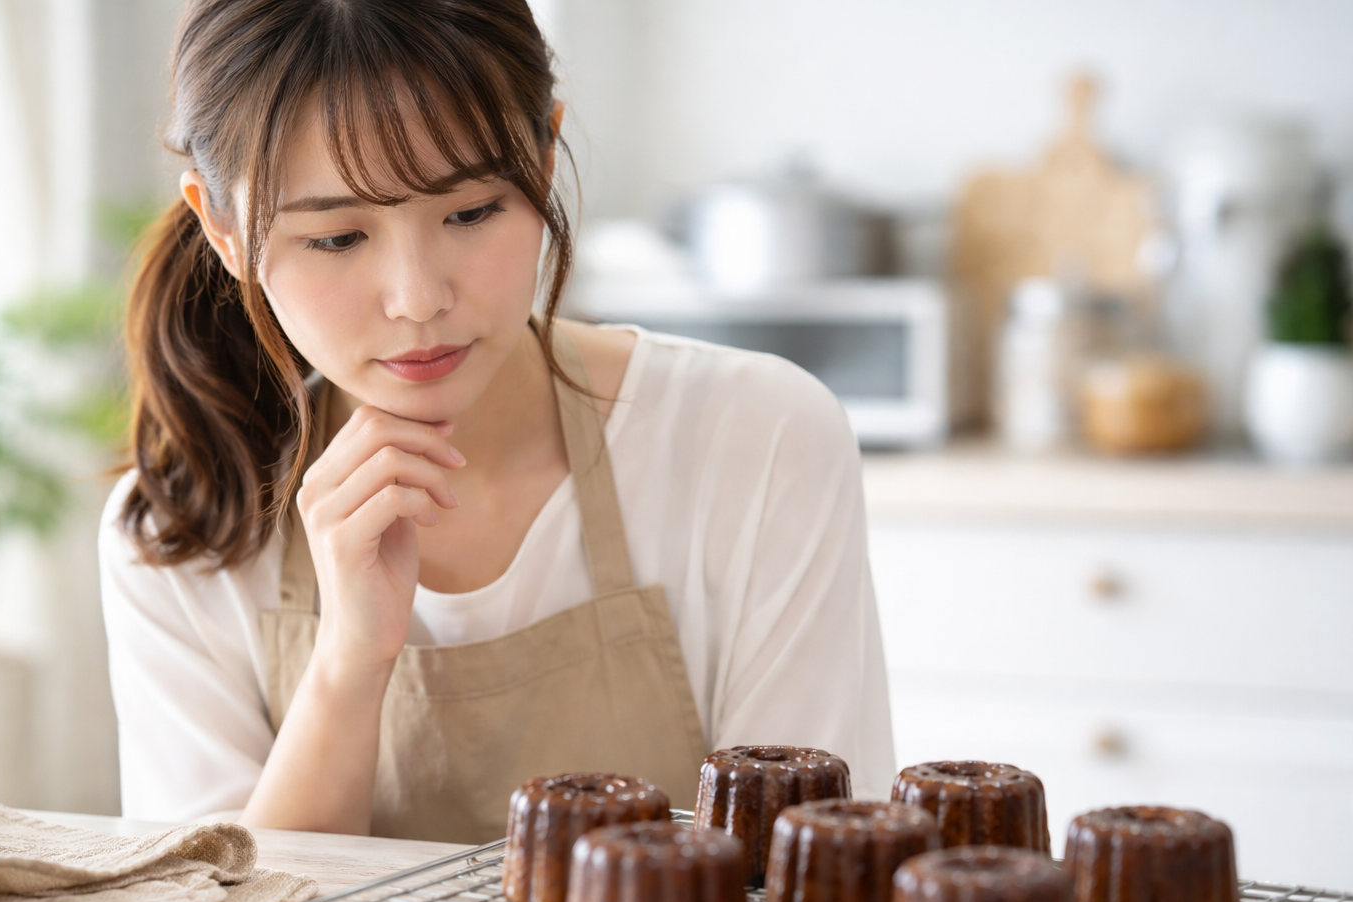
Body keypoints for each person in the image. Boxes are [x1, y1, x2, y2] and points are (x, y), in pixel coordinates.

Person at [100, 0, 894, 843]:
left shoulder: (758, 438)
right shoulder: (181, 531)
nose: (418, 299)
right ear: (222, 228)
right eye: (336, 239)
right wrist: (348, 665)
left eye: (471, 213)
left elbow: (816, 888)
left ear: (546, 155)